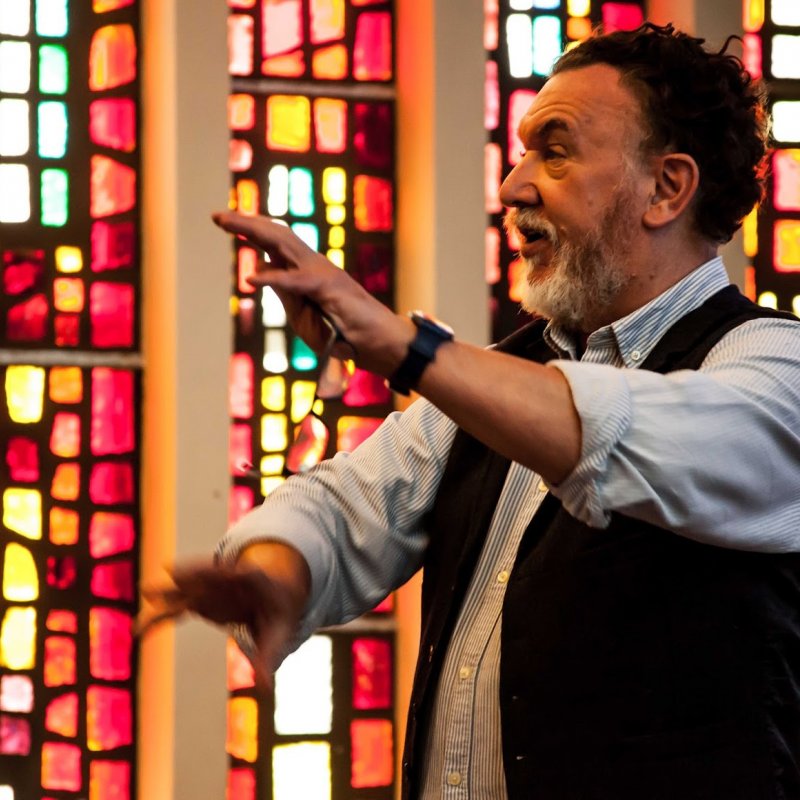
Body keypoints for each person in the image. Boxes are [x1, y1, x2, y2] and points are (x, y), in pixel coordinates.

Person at [138, 23, 800, 800]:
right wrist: (277, 573)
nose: (515, 185)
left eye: (554, 151)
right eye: (521, 151)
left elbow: (641, 435)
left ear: (666, 188)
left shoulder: (771, 365)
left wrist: (406, 348)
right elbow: (347, 503)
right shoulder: (507, 377)